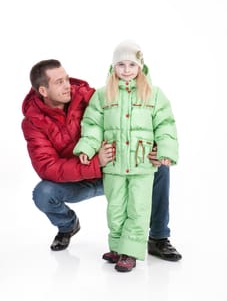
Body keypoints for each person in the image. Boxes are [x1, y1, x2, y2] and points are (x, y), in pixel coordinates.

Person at [21, 58, 182, 263]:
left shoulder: (88, 96)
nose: (67, 85)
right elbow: (47, 167)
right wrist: (95, 163)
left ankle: (158, 237)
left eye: (67, 79)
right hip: (81, 177)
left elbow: (132, 112)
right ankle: (68, 225)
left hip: (115, 167)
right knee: (43, 193)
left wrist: (156, 147)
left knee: (159, 168)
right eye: (59, 82)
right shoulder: (33, 122)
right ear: (43, 91)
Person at [73, 40, 179, 272]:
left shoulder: (153, 94)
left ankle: (130, 252)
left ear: (141, 66)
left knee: (138, 208)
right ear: (113, 67)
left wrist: (165, 152)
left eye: (132, 64)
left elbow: (165, 125)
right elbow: (92, 124)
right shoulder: (102, 96)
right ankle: (118, 246)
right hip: (114, 163)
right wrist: (87, 148)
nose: (127, 69)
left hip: (142, 163)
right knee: (116, 207)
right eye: (121, 64)